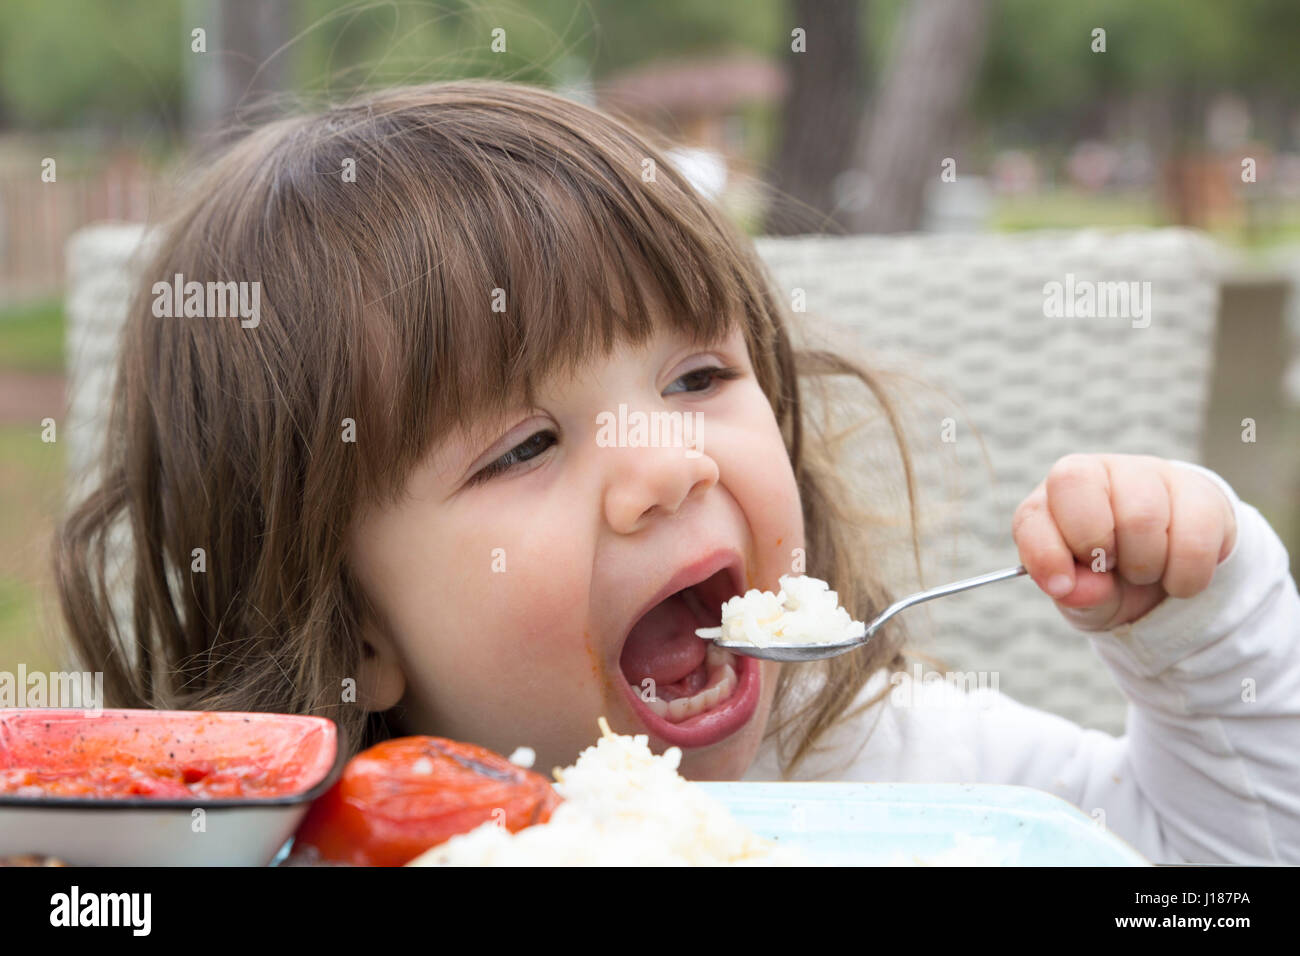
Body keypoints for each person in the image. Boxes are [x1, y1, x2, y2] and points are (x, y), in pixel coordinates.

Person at [55, 79, 1299, 864]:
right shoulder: (326, 850)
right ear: (360, 629)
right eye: (526, 446)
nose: (666, 468)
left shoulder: (901, 762)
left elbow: (1215, 861)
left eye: (698, 379)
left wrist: (1205, 629)